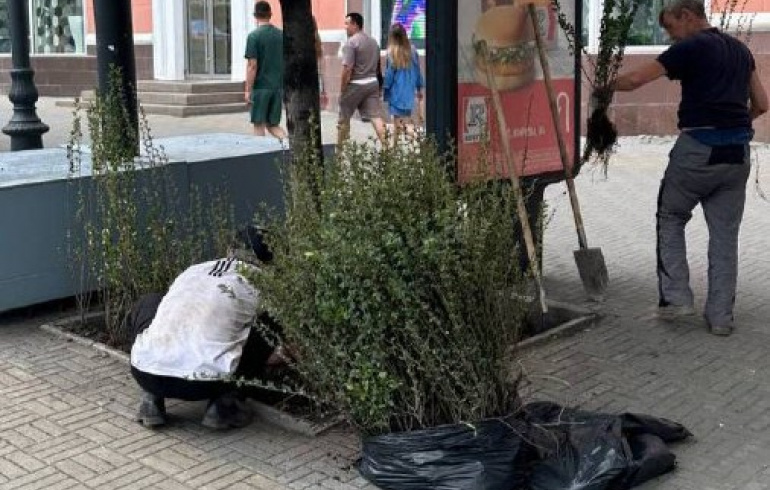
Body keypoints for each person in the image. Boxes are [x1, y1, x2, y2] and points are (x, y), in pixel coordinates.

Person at [606, 0, 768, 336]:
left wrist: (604, 87)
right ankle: (721, 318)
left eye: (670, 27)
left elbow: (635, 79)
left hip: (697, 150)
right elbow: (763, 104)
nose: (671, 36)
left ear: (688, 16)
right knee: (725, 236)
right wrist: (734, 126)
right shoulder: (740, 50)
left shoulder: (691, 47)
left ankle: (676, 298)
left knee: (670, 215)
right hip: (737, 154)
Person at [130, 227, 292, 429]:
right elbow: (273, 346)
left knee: (151, 302)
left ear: (229, 250)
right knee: (268, 321)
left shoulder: (194, 270)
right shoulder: (262, 283)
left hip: (144, 372)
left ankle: (151, 398)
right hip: (206, 383)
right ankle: (224, 404)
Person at [338, 12, 387, 147]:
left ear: (355, 24)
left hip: (355, 84)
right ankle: (387, 148)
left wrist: (342, 89)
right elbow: (378, 67)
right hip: (372, 83)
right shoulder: (373, 42)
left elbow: (347, 68)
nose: (345, 27)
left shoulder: (351, 43)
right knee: (376, 117)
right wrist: (379, 85)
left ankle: (340, 151)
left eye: (347, 24)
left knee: (343, 118)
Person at [244, 1, 287, 141]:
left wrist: (248, 90)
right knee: (273, 124)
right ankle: (289, 145)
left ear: (255, 16)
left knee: (259, 125)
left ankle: (260, 152)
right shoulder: (281, 35)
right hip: (277, 87)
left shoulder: (253, 37)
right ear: (270, 14)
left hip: (261, 87)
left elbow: (252, 65)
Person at [383, 23, 424, 143]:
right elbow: (417, 70)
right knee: (400, 122)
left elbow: (389, 75)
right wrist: (419, 87)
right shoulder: (412, 50)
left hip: (396, 92)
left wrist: (385, 88)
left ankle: (420, 139)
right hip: (408, 92)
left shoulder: (392, 52)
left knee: (398, 123)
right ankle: (395, 148)